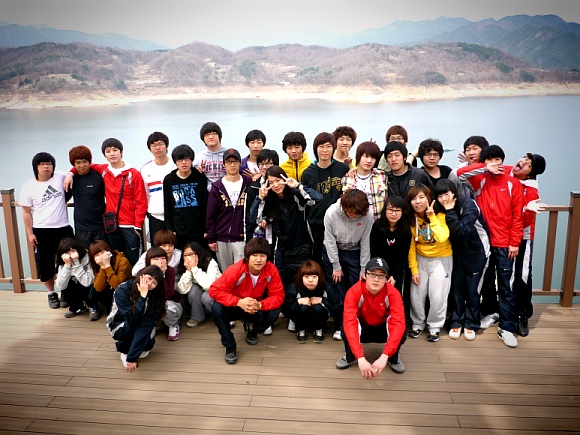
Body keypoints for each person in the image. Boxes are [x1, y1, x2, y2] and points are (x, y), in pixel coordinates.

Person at [457, 145, 524, 348]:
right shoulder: (480, 180)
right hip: (484, 243)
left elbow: (517, 216)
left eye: (497, 160)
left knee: (506, 286)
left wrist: (514, 243)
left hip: (505, 244)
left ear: (502, 160)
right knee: (484, 283)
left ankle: (507, 328)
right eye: (490, 160)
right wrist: (485, 168)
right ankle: (485, 316)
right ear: (484, 162)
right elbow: (460, 174)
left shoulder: (513, 183)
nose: (494, 163)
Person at [64, 138, 148, 266]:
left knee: (134, 259)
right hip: (111, 224)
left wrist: (138, 225)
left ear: (121, 152)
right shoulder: (104, 170)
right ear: (104, 155)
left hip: (129, 224)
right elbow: (82, 164)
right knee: (115, 259)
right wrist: (70, 173)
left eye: (115, 150)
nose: (112, 154)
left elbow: (141, 200)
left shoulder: (133, 173)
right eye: (108, 151)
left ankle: (134, 279)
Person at [208, 238, 285, 364]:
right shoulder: (236, 269)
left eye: (262, 256)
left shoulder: (271, 270)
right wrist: (238, 302)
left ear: (267, 257)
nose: (258, 259)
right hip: (236, 305)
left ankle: (252, 328)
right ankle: (230, 346)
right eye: (254, 255)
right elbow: (214, 290)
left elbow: (278, 296)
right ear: (247, 256)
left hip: (256, 306)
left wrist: (260, 305)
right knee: (216, 307)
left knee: (274, 311)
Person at [434, 179, 490, 341]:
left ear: (454, 192)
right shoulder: (440, 208)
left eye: (446, 194)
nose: (444, 199)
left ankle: (471, 323)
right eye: (440, 196)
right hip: (457, 254)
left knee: (472, 290)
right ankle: (456, 321)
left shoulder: (469, 205)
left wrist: (450, 211)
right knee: (457, 289)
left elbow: (462, 230)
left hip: (477, 253)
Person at [250, 165, 321, 288]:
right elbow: (254, 219)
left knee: (303, 283)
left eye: (278, 180)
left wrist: (298, 186)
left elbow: (317, 199)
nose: (276, 185)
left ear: (284, 179)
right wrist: (260, 197)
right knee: (281, 283)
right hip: (281, 250)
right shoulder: (269, 200)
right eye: (271, 182)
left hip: (302, 246)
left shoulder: (295, 195)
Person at [335, 257, 407, 377]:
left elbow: (398, 323)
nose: (376, 279)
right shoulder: (354, 292)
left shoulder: (393, 293)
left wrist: (384, 356)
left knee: (402, 329)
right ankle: (350, 356)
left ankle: (392, 357)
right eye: (372, 274)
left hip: (382, 328)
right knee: (345, 326)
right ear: (364, 275)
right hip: (363, 327)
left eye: (381, 276)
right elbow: (350, 322)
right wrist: (360, 358)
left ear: (386, 278)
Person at [20, 152, 74, 308]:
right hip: (41, 230)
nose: (46, 167)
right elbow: (26, 212)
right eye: (42, 164)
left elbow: (71, 172)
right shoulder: (28, 186)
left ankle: (65, 291)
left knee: (68, 261)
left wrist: (70, 175)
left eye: (49, 163)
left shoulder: (60, 176)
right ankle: (51, 293)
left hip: (63, 228)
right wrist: (30, 233)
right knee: (45, 264)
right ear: (36, 167)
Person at [323, 188, 374, 340]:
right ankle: (339, 325)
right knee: (337, 288)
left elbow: (366, 242)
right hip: (334, 250)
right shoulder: (331, 212)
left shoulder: (367, 214)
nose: (356, 216)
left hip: (355, 250)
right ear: (345, 207)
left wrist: (364, 268)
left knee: (357, 287)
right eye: (353, 213)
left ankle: (356, 324)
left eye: (359, 213)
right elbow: (329, 241)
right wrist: (336, 266)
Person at [406, 184, 453, 343]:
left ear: (429, 199)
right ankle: (417, 323)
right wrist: (414, 269)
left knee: (438, 295)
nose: (418, 202)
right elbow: (411, 246)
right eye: (414, 198)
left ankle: (434, 326)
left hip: (441, 259)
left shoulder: (440, 215)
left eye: (421, 197)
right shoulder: (411, 218)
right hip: (420, 259)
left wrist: (432, 217)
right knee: (416, 294)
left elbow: (442, 237)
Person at [508, 153, 546, 337]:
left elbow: (525, 221)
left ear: (530, 174)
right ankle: (507, 311)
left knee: (522, 276)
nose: (522, 162)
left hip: (523, 238)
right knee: (507, 275)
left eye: (528, 164)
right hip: (503, 236)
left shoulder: (531, 191)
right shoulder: (508, 174)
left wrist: (526, 209)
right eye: (524, 158)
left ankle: (523, 315)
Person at [301, 132, 350, 265]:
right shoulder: (308, 173)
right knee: (317, 257)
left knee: (340, 258)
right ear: (315, 149)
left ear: (333, 148)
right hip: (316, 223)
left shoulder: (343, 168)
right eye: (321, 146)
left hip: (339, 221)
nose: (325, 150)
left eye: (328, 146)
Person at [106, 265, 166, 372]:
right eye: (149, 278)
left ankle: (134, 350)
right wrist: (142, 297)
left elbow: (146, 325)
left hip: (139, 323)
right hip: (120, 325)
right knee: (131, 326)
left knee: (147, 345)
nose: (149, 283)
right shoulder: (123, 290)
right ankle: (124, 351)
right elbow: (131, 319)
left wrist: (133, 356)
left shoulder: (153, 296)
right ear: (141, 275)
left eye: (154, 283)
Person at [206, 148, 252, 272]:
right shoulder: (217, 186)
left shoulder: (248, 183)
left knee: (241, 272)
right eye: (229, 162)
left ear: (240, 163)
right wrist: (211, 238)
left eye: (235, 161)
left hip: (241, 236)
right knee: (226, 273)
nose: (232, 165)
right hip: (221, 237)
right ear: (224, 164)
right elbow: (211, 215)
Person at [370, 196, 411, 318]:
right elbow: (375, 252)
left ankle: (396, 321)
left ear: (402, 212)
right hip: (379, 269)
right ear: (385, 211)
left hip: (397, 270)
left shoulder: (406, 229)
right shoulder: (377, 226)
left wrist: (395, 275)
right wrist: (382, 274)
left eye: (397, 210)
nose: (394, 214)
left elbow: (403, 255)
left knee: (395, 297)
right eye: (391, 210)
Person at [163, 144, 209, 251]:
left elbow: (205, 204)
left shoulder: (199, 177)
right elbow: (167, 205)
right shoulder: (169, 180)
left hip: (198, 229)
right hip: (179, 230)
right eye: (180, 160)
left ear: (191, 160)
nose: (184, 163)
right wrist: (170, 229)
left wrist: (206, 228)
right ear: (175, 162)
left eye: (187, 159)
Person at [283, 260, 341, 343]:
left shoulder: (326, 287)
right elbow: (285, 309)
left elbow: (337, 307)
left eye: (314, 277)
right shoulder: (294, 287)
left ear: (319, 277)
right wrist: (298, 302)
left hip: (320, 318)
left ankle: (319, 330)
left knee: (318, 307)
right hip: (299, 318)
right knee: (303, 307)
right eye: (306, 277)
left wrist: (323, 301)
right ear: (301, 277)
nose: (310, 280)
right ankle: (301, 330)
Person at [67, 145, 106, 250]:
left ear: (89, 162)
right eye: (78, 163)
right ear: (73, 164)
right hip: (82, 228)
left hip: (101, 226)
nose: (82, 165)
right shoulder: (71, 179)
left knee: (103, 256)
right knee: (84, 257)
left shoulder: (98, 177)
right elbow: (63, 199)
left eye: (85, 162)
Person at [140, 131, 176, 244]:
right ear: (150, 148)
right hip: (156, 217)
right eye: (154, 145)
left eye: (160, 144)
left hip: (176, 215)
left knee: (177, 247)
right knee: (157, 248)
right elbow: (145, 194)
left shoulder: (176, 165)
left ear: (167, 146)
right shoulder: (146, 169)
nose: (157, 148)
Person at [176, 241, 222, 327]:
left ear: (198, 254)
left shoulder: (210, 262)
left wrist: (194, 269)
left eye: (191, 254)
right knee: (193, 291)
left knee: (206, 297)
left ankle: (221, 315)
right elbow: (182, 290)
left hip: (215, 291)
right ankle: (198, 317)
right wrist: (188, 271)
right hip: (200, 291)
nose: (188, 258)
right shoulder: (184, 265)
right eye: (185, 255)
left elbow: (209, 285)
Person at [143, 246, 183, 341]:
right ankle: (151, 325)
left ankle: (173, 324)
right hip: (152, 304)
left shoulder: (170, 271)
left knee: (165, 306)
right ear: (149, 260)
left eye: (163, 258)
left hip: (170, 304)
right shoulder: (143, 272)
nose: (160, 261)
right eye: (155, 259)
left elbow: (169, 295)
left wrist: (162, 274)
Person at [341, 140, 388, 220]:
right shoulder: (347, 178)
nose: (369, 161)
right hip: (355, 222)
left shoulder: (382, 176)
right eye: (366, 156)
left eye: (373, 157)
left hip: (377, 222)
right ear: (358, 157)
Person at [88, 239, 133, 320]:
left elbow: (118, 285)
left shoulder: (122, 261)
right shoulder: (97, 265)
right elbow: (98, 288)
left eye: (102, 252)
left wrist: (107, 266)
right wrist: (102, 267)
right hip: (109, 291)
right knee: (96, 291)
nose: (101, 256)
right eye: (97, 255)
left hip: (126, 290)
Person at [245, 149, 279, 245]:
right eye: (261, 164)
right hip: (257, 235)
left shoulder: (280, 186)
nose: (264, 167)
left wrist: (268, 219)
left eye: (268, 164)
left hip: (277, 234)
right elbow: (248, 216)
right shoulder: (253, 187)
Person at [54, 237, 95, 318]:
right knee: (67, 283)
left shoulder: (86, 256)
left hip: (88, 285)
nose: (70, 255)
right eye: (67, 253)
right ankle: (77, 307)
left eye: (73, 251)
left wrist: (76, 262)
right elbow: (61, 286)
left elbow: (88, 282)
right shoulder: (62, 261)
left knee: (90, 286)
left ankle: (93, 306)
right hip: (75, 286)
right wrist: (67, 266)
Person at [193, 122, 227, 192]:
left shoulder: (228, 153)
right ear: (203, 138)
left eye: (214, 134)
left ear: (219, 136)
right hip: (208, 193)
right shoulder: (200, 157)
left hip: (227, 192)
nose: (211, 137)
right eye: (207, 135)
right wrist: (198, 172)